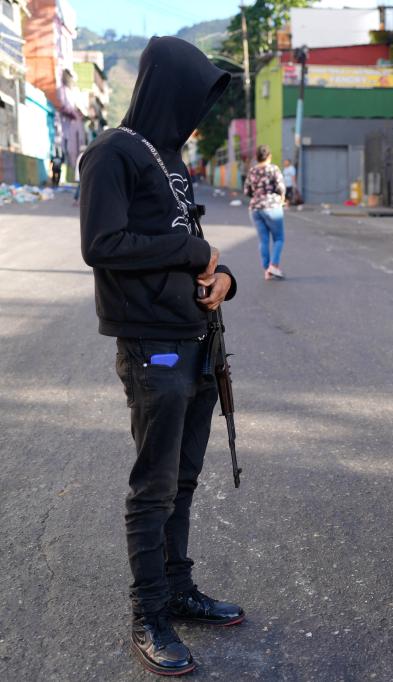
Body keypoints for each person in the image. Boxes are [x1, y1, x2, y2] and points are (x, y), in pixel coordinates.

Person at [79, 36, 244, 676]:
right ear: (165, 91)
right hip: (152, 346)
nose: (197, 113)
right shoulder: (112, 152)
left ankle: (177, 589)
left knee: (183, 479)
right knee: (154, 487)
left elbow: (189, 243)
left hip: (196, 339)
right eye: (193, 98)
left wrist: (223, 275)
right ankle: (148, 613)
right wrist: (191, 253)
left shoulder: (170, 159)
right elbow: (103, 243)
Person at [243, 145, 287, 280]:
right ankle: (273, 265)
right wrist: (282, 198)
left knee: (263, 240)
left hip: (255, 209)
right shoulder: (273, 169)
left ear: (257, 157)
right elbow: (281, 187)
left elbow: (247, 191)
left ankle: (267, 270)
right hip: (272, 207)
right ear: (269, 156)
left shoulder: (252, 171)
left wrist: (258, 196)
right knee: (279, 239)